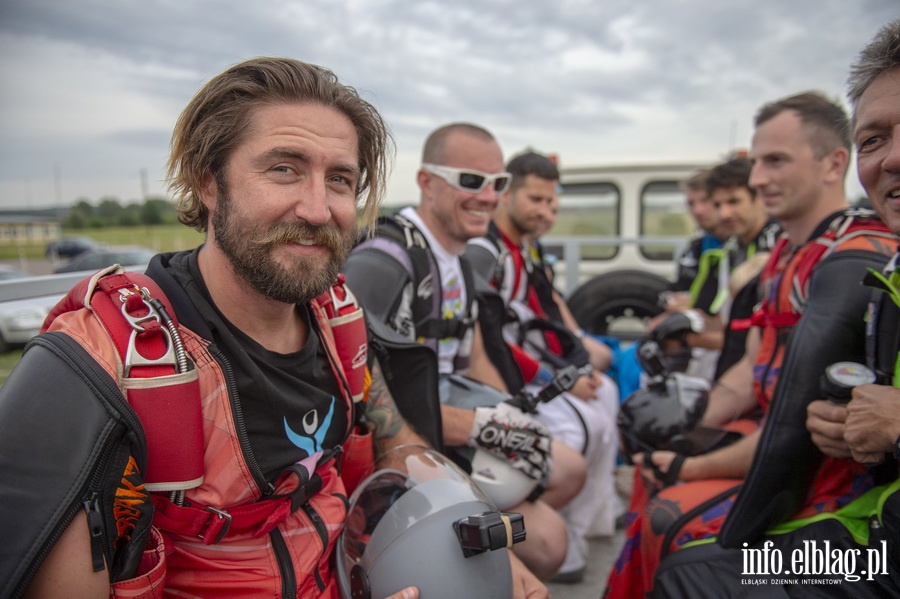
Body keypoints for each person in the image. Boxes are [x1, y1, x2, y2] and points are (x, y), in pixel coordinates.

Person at [0, 58, 547, 599]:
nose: (317, 209)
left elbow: (397, 445)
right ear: (208, 182)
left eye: (339, 179)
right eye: (283, 168)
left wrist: (480, 544)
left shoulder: (340, 322)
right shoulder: (99, 364)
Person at [605, 91, 898, 598]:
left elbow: (796, 432)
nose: (757, 178)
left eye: (775, 161)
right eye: (757, 162)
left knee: (668, 520)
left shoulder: (854, 258)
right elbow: (749, 371)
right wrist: (688, 425)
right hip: (766, 438)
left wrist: (690, 465)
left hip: (826, 484)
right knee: (651, 469)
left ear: (834, 164)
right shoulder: (784, 255)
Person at [342, 123, 582, 581]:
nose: (488, 197)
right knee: (549, 544)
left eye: (499, 184)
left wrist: (507, 415)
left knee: (569, 469)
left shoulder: (467, 258)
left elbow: (473, 357)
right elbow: (362, 391)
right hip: (401, 441)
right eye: (471, 181)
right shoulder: (384, 261)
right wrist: (481, 427)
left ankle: (473, 559)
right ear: (427, 182)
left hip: (447, 409)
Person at [466, 150, 620, 583]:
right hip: (509, 378)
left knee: (605, 394)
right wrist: (560, 382)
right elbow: (490, 338)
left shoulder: (526, 251)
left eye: (552, 203)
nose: (546, 212)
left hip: (536, 366)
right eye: (536, 200)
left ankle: (587, 523)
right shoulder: (487, 251)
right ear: (505, 194)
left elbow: (546, 315)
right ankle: (558, 536)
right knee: (582, 428)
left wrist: (579, 365)